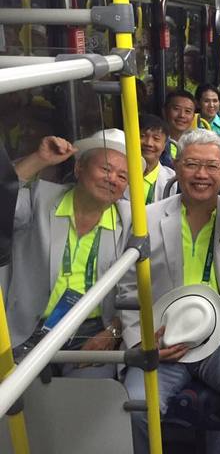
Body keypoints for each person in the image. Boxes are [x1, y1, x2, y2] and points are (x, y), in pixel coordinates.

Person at [120, 129, 220, 454]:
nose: (201, 175)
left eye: (211, 166)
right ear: (177, 166)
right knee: (134, 406)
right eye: (192, 164)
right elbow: (127, 286)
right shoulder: (147, 219)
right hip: (164, 339)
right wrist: (141, 341)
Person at [9, 130, 133, 378]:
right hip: (29, 329)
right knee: (19, 397)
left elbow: (137, 287)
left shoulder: (131, 220)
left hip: (91, 333)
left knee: (86, 396)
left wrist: (113, 332)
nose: (112, 179)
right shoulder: (39, 199)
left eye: (122, 176)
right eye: (106, 169)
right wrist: (39, 159)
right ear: (79, 169)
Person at [137, 114, 178, 204]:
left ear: (164, 145)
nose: (149, 143)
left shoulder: (173, 180)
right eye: (142, 136)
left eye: (156, 139)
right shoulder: (119, 174)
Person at [163, 90, 197, 160]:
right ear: (164, 111)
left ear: (193, 116)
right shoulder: (156, 143)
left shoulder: (198, 143)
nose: (182, 115)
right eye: (176, 109)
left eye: (187, 111)